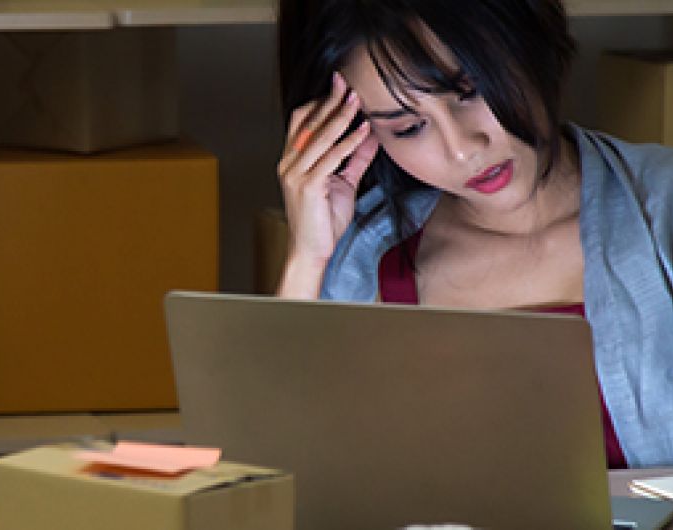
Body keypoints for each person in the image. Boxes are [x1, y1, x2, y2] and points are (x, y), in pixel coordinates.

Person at [274, 0, 673, 469]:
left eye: (470, 91)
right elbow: (274, 485)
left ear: (527, 45)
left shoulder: (659, 210)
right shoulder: (362, 264)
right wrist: (307, 261)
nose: (464, 149)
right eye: (409, 127)